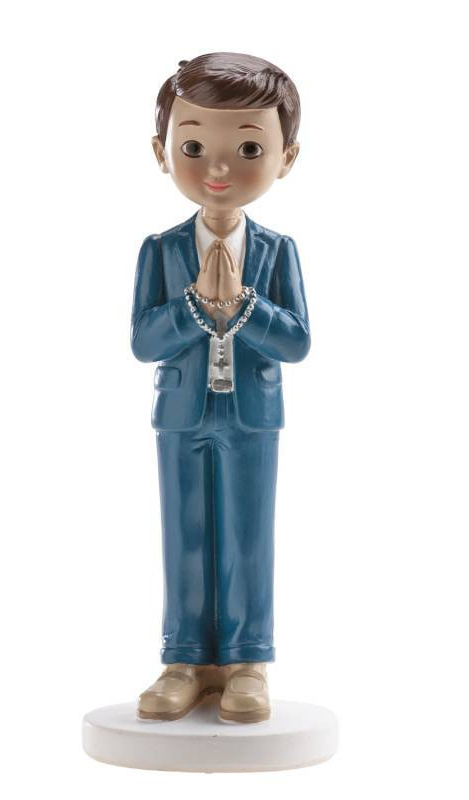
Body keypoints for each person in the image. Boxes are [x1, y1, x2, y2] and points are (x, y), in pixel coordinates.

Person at [130, 52, 310, 723]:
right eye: (194, 146)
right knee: (185, 534)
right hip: (181, 414)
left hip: (252, 415)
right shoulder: (160, 250)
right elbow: (144, 340)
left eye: (250, 149)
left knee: (247, 537)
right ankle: (184, 659)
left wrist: (245, 306)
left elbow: (297, 341)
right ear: (162, 151)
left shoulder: (277, 251)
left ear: (286, 158)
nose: (219, 168)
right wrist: (191, 306)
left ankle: (245, 661)